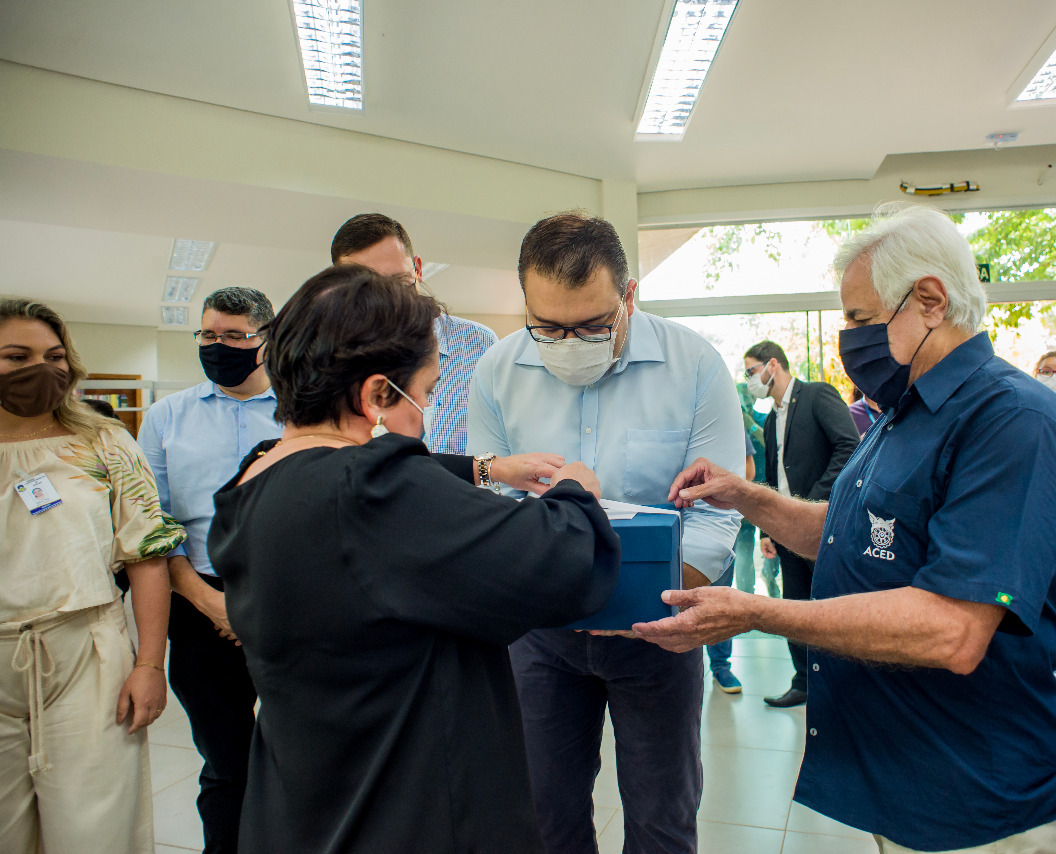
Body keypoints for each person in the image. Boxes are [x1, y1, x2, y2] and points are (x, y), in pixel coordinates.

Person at [634, 204, 1056, 853]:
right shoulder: (907, 411)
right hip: (903, 779)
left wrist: (760, 612)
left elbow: (955, 628)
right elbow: (845, 534)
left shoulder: (1012, 423)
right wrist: (743, 497)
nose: (850, 338)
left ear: (929, 300)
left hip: (974, 795)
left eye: (858, 318)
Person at [205, 265, 621, 853]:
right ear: (377, 394)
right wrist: (577, 493)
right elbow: (560, 564)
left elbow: (392, 491)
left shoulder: (253, 481)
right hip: (409, 811)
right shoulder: (367, 495)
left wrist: (487, 468)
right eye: (422, 394)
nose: (423, 415)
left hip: (307, 803)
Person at [467, 212, 743, 853]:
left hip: (660, 635)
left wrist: (660, 605)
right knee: (543, 812)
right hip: (540, 637)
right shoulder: (498, 371)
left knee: (663, 813)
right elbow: (491, 504)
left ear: (630, 296)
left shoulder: (695, 366)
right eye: (549, 327)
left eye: (592, 325)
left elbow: (717, 510)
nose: (568, 341)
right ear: (526, 306)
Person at [0, 298, 185, 854]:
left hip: (88, 650)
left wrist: (151, 663)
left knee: (95, 827)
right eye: (17, 356)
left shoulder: (105, 443)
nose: (41, 368)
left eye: (54, 355)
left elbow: (147, 555)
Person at [138, 287, 281, 854]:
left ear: (267, 340)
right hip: (199, 599)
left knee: (301, 755)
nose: (219, 346)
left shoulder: (304, 410)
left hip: (289, 599)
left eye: (236, 335)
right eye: (209, 335)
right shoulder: (167, 415)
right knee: (226, 762)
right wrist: (206, 600)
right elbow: (153, 526)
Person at [744, 340, 860, 709]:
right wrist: (768, 526)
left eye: (751, 371)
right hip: (787, 530)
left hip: (824, 525)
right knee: (794, 605)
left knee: (831, 607)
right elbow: (773, 475)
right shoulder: (774, 417)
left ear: (772, 365)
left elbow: (849, 446)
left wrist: (810, 502)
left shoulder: (816, 395)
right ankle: (805, 682)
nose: (750, 380)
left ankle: (842, 685)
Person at [330, 213, 497, 454]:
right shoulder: (333, 358)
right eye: (369, 292)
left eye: (399, 284)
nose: (390, 303)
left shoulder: (479, 343)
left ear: (417, 269)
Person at [706, 423, 757, 694]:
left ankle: (721, 666)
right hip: (672, 515)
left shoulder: (728, 419)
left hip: (717, 522)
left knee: (719, 593)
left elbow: (749, 470)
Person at [733, 382, 779, 598]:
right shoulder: (731, 422)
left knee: (773, 548)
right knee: (743, 551)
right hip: (741, 500)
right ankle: (745, 595)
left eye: (747, 397)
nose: (745, 402)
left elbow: (768, 442)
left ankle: (771, 582)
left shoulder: (763, 418)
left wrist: (748, 422)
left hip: (767, 495)